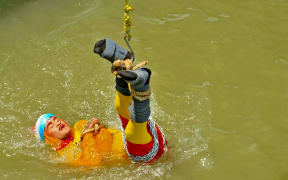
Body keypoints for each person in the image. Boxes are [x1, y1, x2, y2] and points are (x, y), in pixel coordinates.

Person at [33, 38, 167, 166]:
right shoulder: (64, 155)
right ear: (49, 138)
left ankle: (122, 69)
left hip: (145, 141)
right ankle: (139, 86)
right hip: (147, 156)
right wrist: (88, 135)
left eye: (55, 118)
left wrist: (89, 133)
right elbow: (93, 162)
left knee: (121, 111)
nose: (56, 122)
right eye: (50, 125)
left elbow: (103, 141)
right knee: (131, 133)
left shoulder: (80, 125)